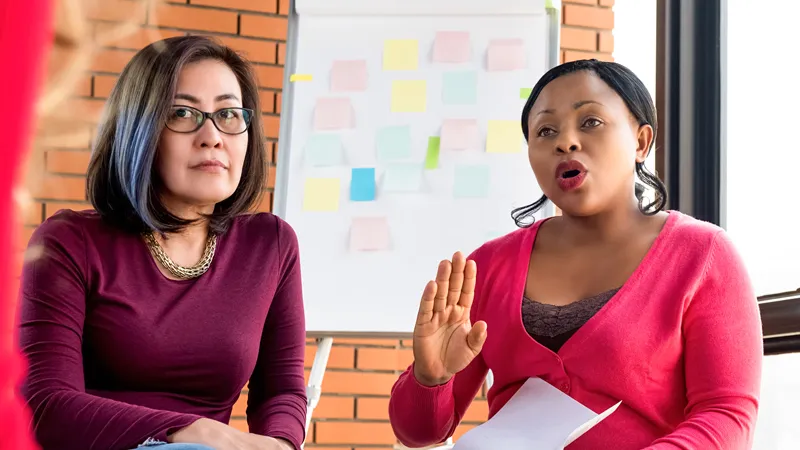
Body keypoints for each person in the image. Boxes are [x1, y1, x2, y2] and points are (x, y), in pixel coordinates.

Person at [388, 59, 762, 449]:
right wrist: (430, 378)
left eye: (590, 122)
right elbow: (419, 433)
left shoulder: (703, 255)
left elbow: (726, 416)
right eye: (545, 130)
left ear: (641, 141)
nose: (565, 141)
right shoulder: (488, 266)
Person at [17, 36, 307, 450]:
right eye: (183, 113)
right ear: (139, 129)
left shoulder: (271, 244)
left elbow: (282, 391)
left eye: (228, 113)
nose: (212, 136)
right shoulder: (67, 242)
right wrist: (195, 430)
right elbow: (46, 405)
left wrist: (279, 445)